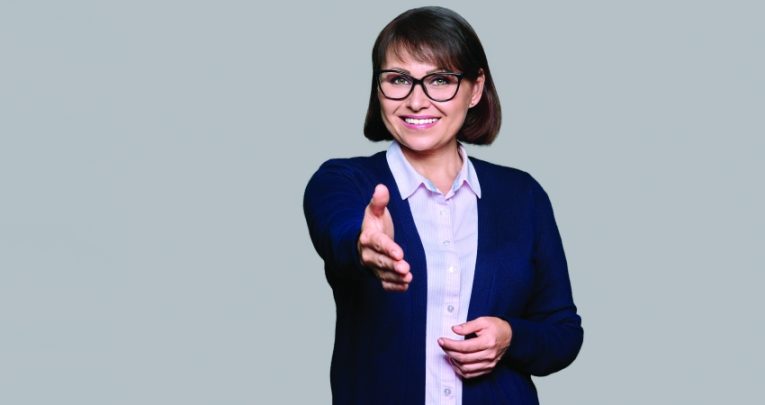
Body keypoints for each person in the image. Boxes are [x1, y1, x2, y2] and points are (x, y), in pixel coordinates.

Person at [303, 6, 582, 404]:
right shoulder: (344, 182)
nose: (417, 101)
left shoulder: (523, 196)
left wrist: (511, 337)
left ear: (475, 89)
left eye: (440, 80)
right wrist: (364, 248)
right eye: (398, 79)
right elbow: (340, 231)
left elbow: (563, 332)